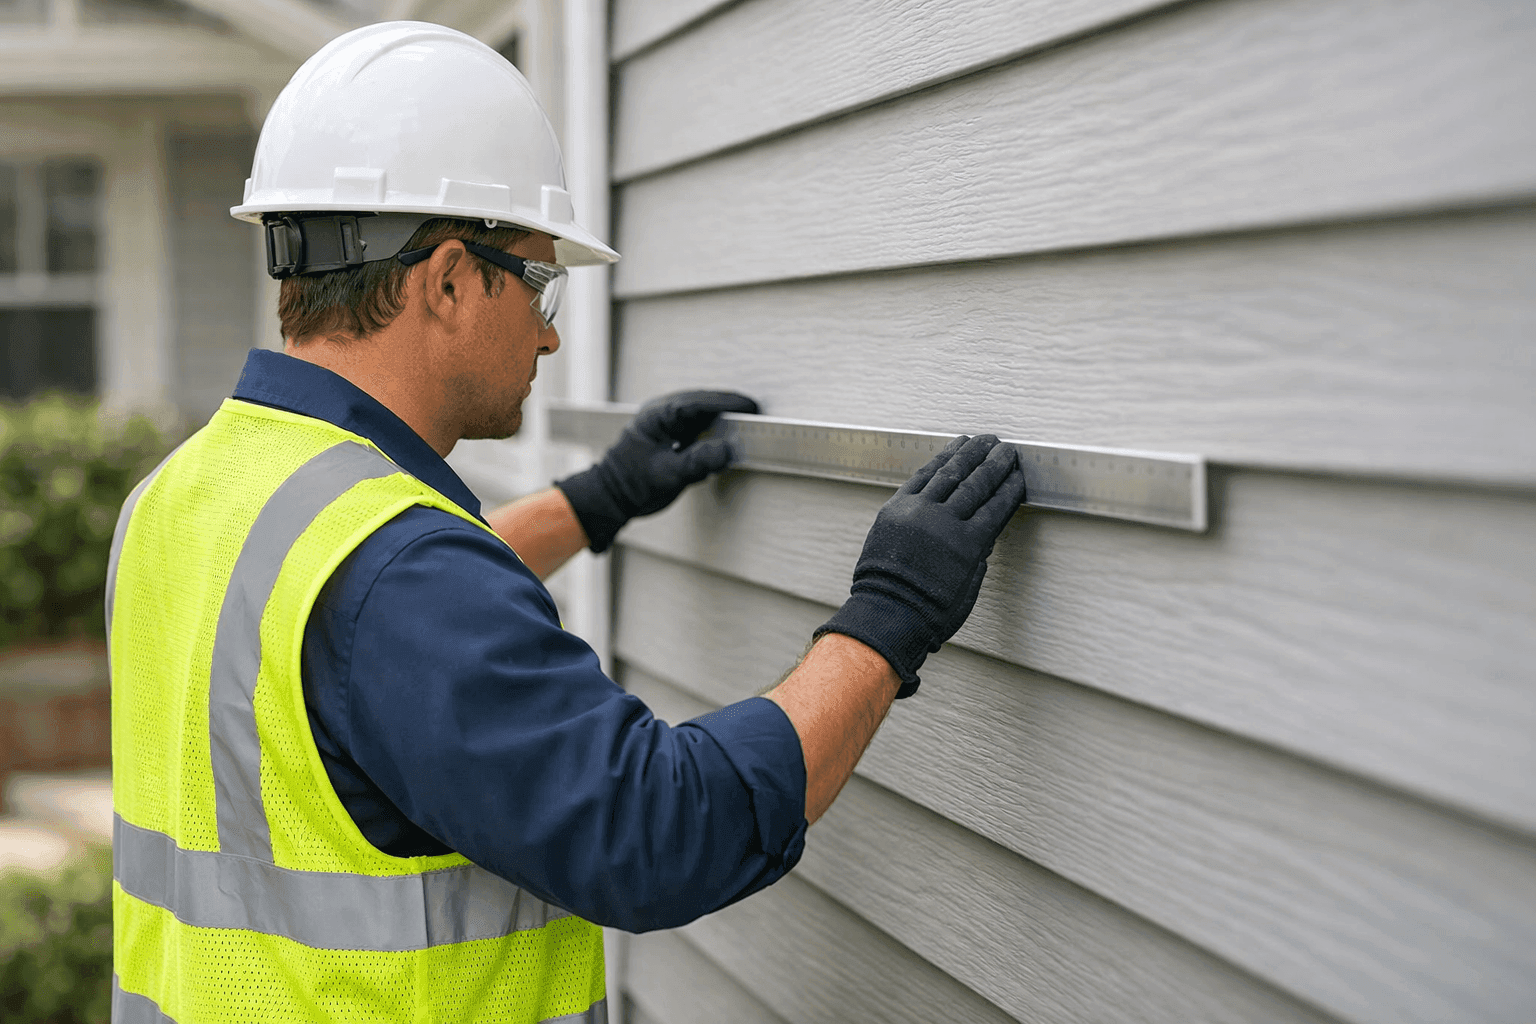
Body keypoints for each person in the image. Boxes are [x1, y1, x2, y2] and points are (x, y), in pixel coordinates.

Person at [106, 22, 1026, 1024]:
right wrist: (887, 618)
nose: (549, 330)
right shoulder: (397, 576)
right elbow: (659, 830)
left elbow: (344, 656)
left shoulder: (182, 497)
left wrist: (595, 502)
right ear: (448, 280)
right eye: (539, 282)